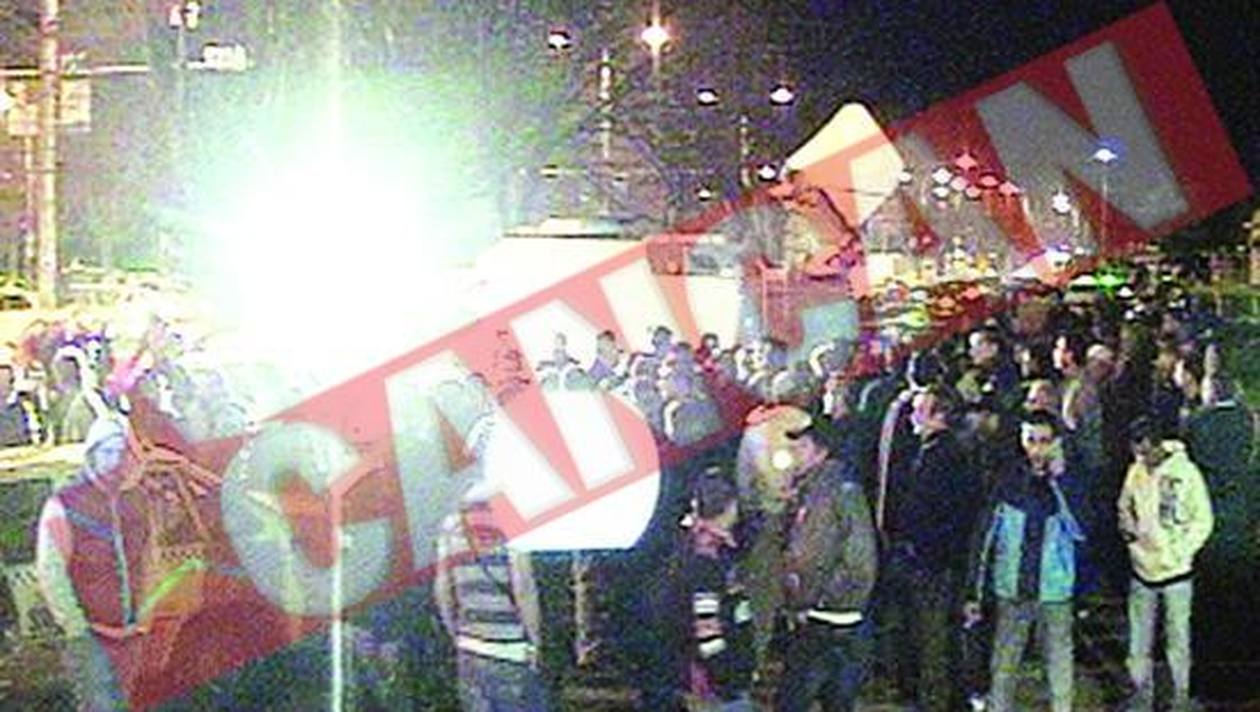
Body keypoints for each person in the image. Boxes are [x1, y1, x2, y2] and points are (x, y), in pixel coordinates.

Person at [966, 411, 1087, 712]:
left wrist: (1060, 480)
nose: (1036, 449)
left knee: (1059, 673)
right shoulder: (1007, 481)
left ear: (1057, 443)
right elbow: (984, 538)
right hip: (1012, 589)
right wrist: (974, 593)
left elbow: (1081, 530)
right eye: (1031, 440)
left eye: (1044, 441)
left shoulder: (1070, 480)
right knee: (1003, 669)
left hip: (1054, 591)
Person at [37, 416, 155, 710]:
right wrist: (76, 629)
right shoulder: (64, 504)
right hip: (91, 636)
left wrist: (147, 612)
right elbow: (51, 572)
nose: (115, 460)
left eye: (121, 452)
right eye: (107, 451)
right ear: (92, 453)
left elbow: (149, 557)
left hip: (134, 634)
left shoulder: (137, 500)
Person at [882, 386, 984, 711]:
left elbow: (934, 513)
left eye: (920, 410)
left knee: (932, 637)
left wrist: (918, 549)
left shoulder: (941, 458)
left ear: (939, 416)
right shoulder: (947, 452)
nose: (913, 416)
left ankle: (935, 700)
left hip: (932, 563)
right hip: (936, 560)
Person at [770, 409, 879, 712]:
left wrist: (821, 600)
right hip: (818, 618)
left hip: (829, 622)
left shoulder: (840, 491)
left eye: (801, 446)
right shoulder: (812, 488)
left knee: (795, 701)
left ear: (821, 450)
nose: (793, 453)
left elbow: (860, 561)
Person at [1118, 418, 1214, 712]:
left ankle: (1180, 697)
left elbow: (1203, 520)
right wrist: (1130, 534)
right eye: (1137, 453)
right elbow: (1124, 506)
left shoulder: (1186, 474)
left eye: (1146, 452)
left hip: (1176, 573)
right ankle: (1141, 696)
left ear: (1158, 445)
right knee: (1139, 641)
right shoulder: (1136, 471)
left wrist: (1178, 553)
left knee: (1178, 639)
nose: (1142, 459)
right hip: (1142, 570)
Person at [435, 488, 552, 711]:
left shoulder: (451, 526)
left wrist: (455, 632)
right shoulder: (510, 518)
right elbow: (523, 587)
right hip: (510, 648)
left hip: (469, 646)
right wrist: (534, 640)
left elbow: (443, 586)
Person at [680, 468, 756, 711]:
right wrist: (729, 676)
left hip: (719, 677)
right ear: (729, 508)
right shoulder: (707, 564)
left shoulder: (709, 552)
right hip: (720, 685)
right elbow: (707, 631)